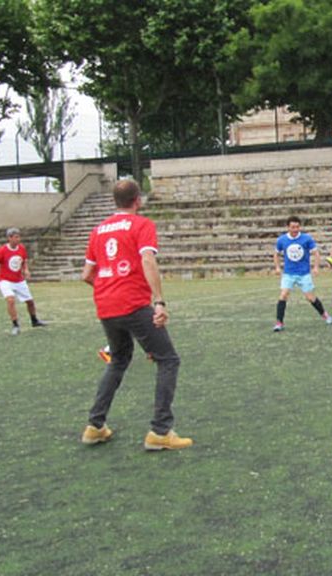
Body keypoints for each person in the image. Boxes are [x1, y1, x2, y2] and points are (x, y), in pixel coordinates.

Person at [80, 179, 191, 450]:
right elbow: (148, 259)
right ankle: (160, 431)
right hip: (133, 303)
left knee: (118, 360)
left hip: (105, 305)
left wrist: (109, 291)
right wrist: (159, 302)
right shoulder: (142, 225)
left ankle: (95, 426)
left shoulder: (98, 230)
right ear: (137, 200)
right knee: (168, 360)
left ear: (114, 202)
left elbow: (86, 274)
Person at [0, 227, 47, 335]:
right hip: (5, 280)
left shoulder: (21, 248)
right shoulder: (2, 250)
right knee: (11, 300)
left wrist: (26, 270)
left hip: (19, 280)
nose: (18, 239)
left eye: (19, 237)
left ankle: (34, 320)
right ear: (9, 238)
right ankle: (15, 325)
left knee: (30, 302)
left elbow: (24, 261)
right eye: (16, 237)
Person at [273, 216, 332, 332]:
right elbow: (276, 254)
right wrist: (277, 267)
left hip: (304, 273)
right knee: (283, 295)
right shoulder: (282, 240)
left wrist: (316, 267)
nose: (295, 229)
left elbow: (316, 253)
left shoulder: (306, 238)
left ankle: (324, 314)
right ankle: (279, 322)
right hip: (288, 273)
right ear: (288, 227)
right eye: (292, 227)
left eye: (297, 227)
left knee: (310, 297)